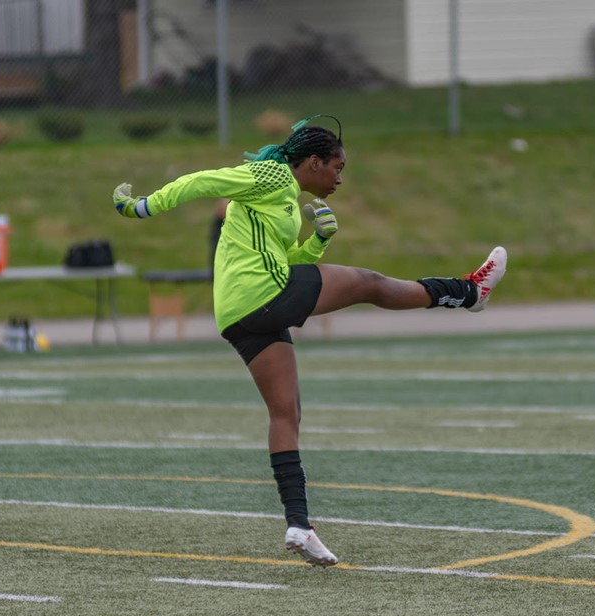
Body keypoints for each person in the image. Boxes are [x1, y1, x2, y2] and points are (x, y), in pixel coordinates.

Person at [113, 114, 507, 567]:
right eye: (337, 167)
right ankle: (468, 292)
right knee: (368, 282)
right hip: (261, 295)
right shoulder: (271, 175)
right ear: (314, 162)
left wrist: (318, 241)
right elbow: (201, 181)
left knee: (286, 413)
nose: (340, 177)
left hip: (241, 312)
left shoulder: (278, 199)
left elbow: (287, 261)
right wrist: (142, 207)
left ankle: (299, 524)